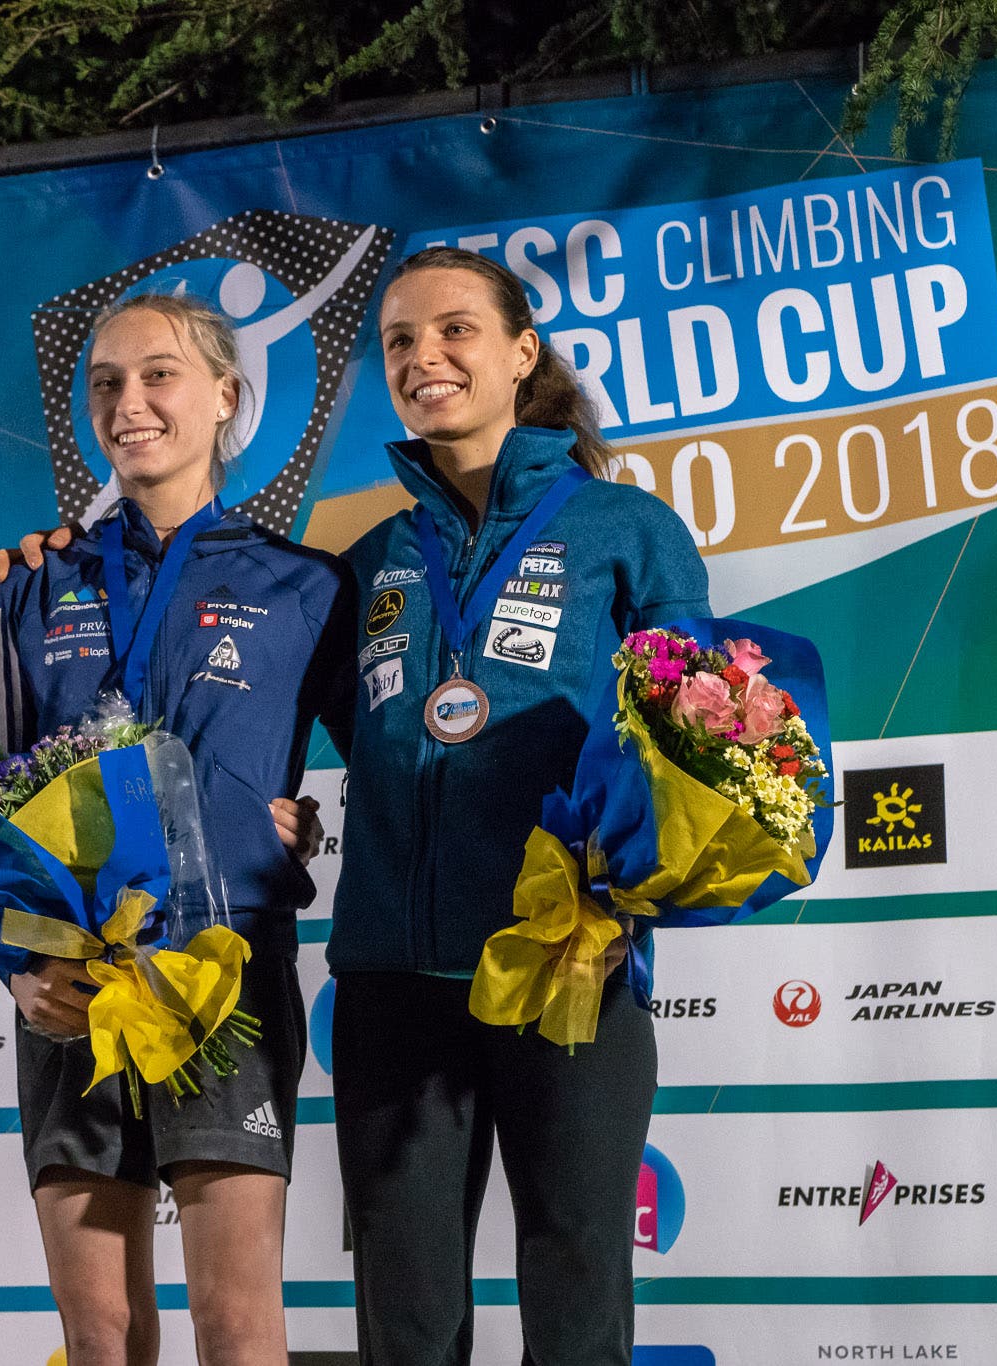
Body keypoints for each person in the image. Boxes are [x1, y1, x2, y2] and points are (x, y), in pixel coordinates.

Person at [327, 246, 711, 1366]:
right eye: (397, 340)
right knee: (405, 1315)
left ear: (519, 354)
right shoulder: (367, 562)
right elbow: (359, 742)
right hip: (394, 981)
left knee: (575, 1282)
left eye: (451, 330)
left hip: (567, 963)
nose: (421, 357)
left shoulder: (624, 531)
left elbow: (692, 745)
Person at [0, 293, 353, 1366]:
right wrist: (13, 965)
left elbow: (401, 755)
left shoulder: (306, 585)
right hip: (67, 984)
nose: (127, 402)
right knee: (100, 1335)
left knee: (235, 1328)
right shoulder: (34, 584)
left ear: (226, 396)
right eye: (104, 383)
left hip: (220, 970)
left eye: (157, 375)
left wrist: (291, 825)